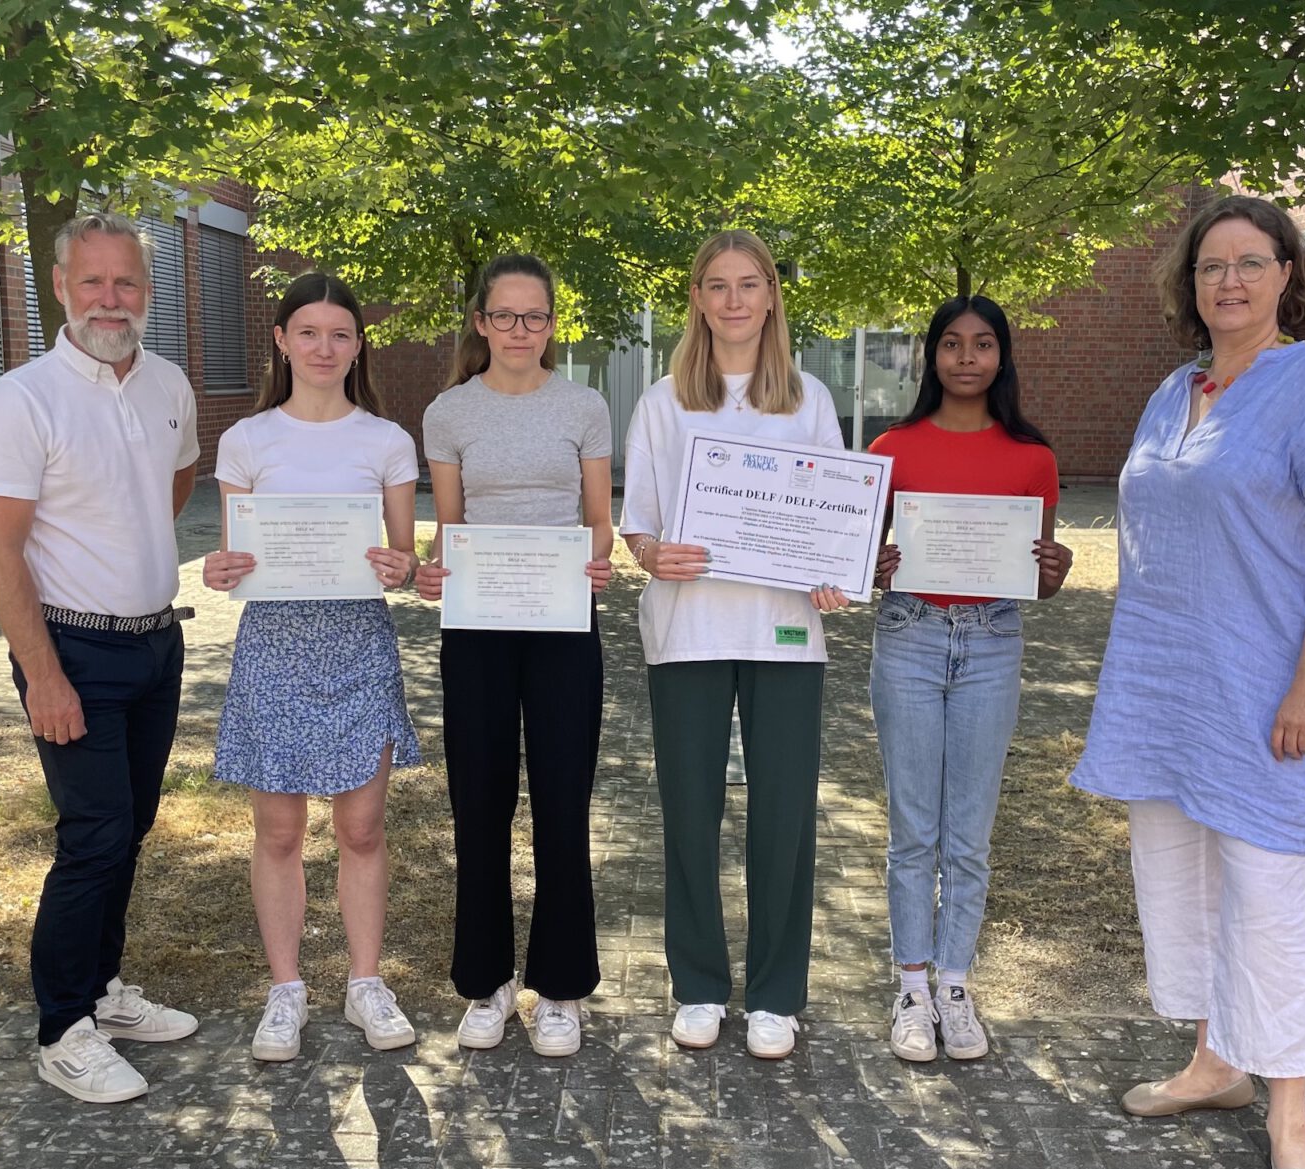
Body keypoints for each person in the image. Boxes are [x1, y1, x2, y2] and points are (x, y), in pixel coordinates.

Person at [1070, 196, 1305, 1169]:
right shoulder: (1175, 391)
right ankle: (1215, 1060)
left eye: (1251, 262)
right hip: (1169, 692)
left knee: (1266, 893)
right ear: (1189, 284)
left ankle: (1291, 1118)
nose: (1230, 281)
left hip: (1269, 692)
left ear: (1290, 275)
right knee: (1183, 881)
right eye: (1211, 266)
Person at [0, 211, 200, 1103]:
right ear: (60, 287)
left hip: (158, 641)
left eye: (129, 282)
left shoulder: (169, 383)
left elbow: (172, 483)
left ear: (147, 291)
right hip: (71, 649)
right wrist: (45, 671)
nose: (113, 298)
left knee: (130, 827)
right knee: (93, 837)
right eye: (94, 281)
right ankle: (62, 1026)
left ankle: (103, 992)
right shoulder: (21, 400)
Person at [620, 229, 849, 1061]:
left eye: (749, 284)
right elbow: (636, 521)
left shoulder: (810, 400)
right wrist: (651, 553)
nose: (734, 300)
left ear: (772, 296)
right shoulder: (662, 401)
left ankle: (778, 993)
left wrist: (832, 571)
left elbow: (836, 520)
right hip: (689, 628)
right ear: (698, 300)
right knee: (689, 808)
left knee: (783, 816)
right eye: (717, 286)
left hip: (786, 630)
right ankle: (700, 984)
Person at [201, 273, 423, 1061]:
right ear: (281, 339)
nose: (324, 347)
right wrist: (220, 569)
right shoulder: (247, 440)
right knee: (280, 829)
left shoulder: (387, 441)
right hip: (275, 648)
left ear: (358, 343)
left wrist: (400, 565)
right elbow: (239, 552)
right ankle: (286, 990)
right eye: (309, 332)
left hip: (359, 645)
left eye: (340, 333)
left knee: (362, 828)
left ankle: (366, 981)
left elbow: (404, 554)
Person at [415, 254, 613, 1058]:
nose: (520, 330)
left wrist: (596, 558)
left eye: (535, 316)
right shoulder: (447, 412)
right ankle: (487, 981)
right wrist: (433, 566)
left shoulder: (587, 405)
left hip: (565, 619)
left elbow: (599, 520)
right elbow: (450, 524)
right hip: (478, 625)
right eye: (505, 315)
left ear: (552, 323)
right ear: (480, 322)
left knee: (563, 803)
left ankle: (561, 985)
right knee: (481, 802)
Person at [866, 296, 1072, 1064]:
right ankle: (911, 986)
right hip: (910, 636)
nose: (965, 358)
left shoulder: (1033, 457)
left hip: (991, 640)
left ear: (1001, 356)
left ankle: (955, 982)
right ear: (932, 356)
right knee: (913, 829)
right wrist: (876, 564)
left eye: (982, 344)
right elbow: (865, 560)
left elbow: (1038, 580)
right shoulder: (891, 447)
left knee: (970, 834)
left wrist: (1056, 570)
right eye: (951, 344)